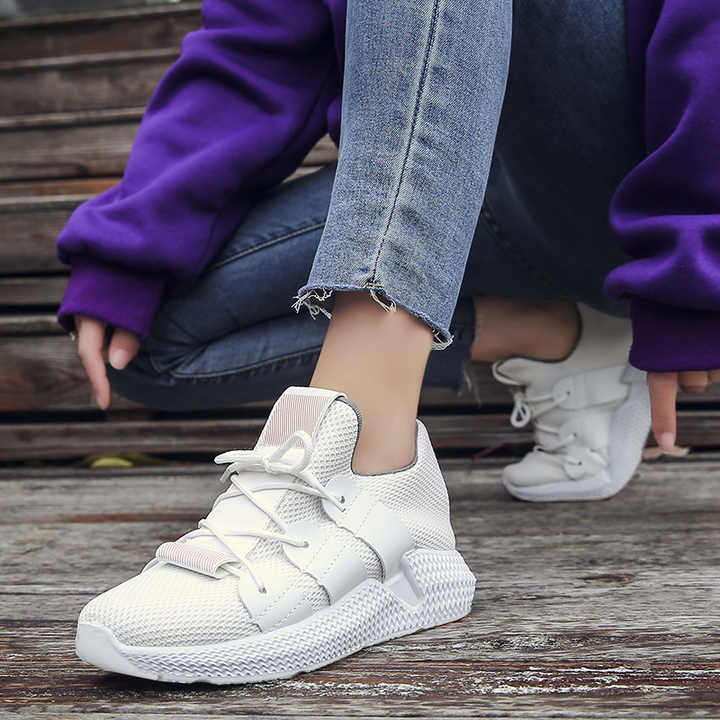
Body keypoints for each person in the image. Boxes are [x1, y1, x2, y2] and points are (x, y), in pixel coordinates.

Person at [58, 0, 720, 684]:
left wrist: (695, 248)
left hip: (612, 179)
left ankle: (369, 466)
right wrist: (134, 244)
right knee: (151, 337)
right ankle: (557, 337)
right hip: (440, 178)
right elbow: (254, 42)